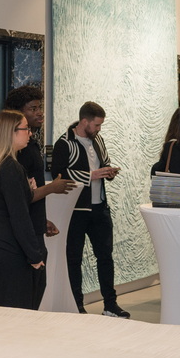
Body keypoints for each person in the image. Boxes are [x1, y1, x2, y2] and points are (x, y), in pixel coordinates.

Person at [52, 101, 129, 318]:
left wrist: (108, 172)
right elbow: (58, 174)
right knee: (74, 258)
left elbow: (104, 162)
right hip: (76, 210)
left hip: (100, 207)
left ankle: (110, 305)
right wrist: (91, 175)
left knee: (105, 257)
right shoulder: (64, 143)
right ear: (84, 121)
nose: (99, 129)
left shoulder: (98, 140)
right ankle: (77, 305)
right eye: (96, 125)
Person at [0, 109, 48, 309]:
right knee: (18, 315)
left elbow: (2, 205)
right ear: (11, 132)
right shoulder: (11, 168)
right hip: (10, 251)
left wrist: (27, 190)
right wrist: (34, 255)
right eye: (26, 129)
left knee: (7, 312)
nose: (30, 133)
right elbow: (19, 217)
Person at [5, 85, 76, 241]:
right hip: (22, 231)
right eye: (33, 109)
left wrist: (41, 221)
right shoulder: (18, 151)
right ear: (18, 113)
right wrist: (52, 187)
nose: (40, 112)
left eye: (40, 107)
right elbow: (21, 196)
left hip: (32, 225)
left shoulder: (30, 145)